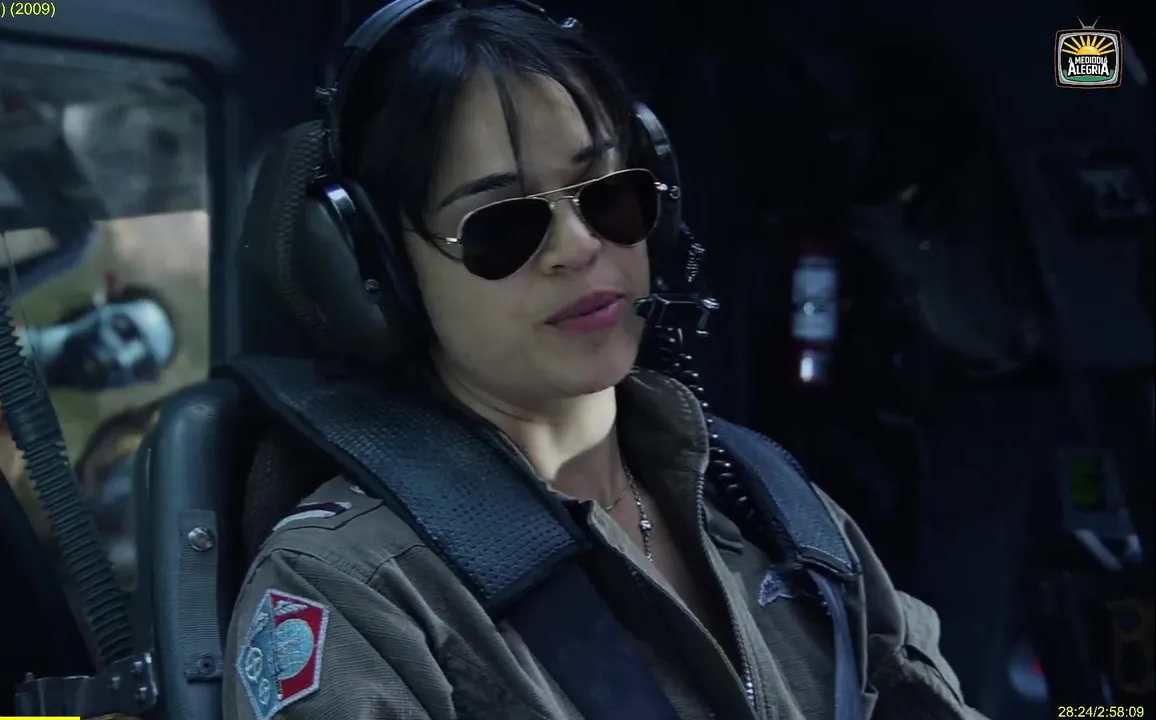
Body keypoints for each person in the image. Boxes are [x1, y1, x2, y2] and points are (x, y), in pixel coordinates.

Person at [225, 2, 985, 719]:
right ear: (379, 268)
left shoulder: (775, 507)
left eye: (608, 194)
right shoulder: (355, 594)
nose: (581, 246)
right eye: (502, 224)